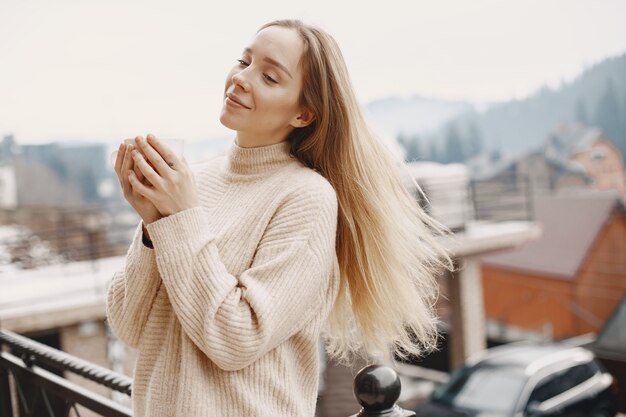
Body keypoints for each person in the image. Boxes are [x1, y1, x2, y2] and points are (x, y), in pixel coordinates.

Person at [106, 19, 450, 417]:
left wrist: (180, 217)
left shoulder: (306, 197)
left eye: (269, 76)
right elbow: (129, 326)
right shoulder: (192, 181)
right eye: (243, 60)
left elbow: (235, 339)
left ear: (303, 114)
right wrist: (152, 226)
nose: (241, 78)